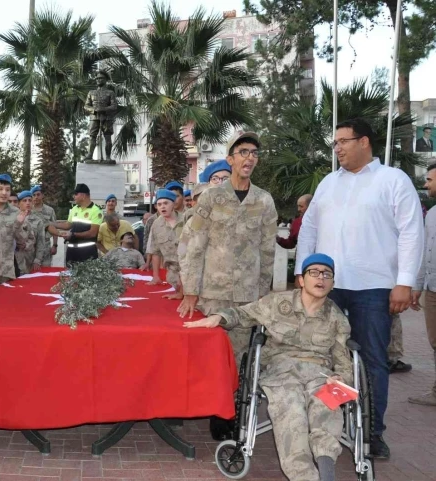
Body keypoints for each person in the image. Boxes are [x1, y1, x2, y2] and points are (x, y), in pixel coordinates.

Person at [295, 118, 424, 458]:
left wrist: (404, 282)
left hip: (374, 288)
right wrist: (301, 272)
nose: (336, 148)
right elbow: (308, 228)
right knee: (328, 358)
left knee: (370, 362)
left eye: (343, 141)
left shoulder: (393, 181)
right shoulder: (327, 183)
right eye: (334, 142)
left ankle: (370, 433)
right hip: (327, 289)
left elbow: (412, 232)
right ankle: (330, 427)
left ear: (364, 142)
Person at [184, 253, 352, 481]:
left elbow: (344, 362)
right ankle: (305, 477)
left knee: (327, 407)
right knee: (292, 413)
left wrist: (341, 379)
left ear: (332, 283)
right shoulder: (277, 303)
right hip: (281, 371)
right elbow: (243, 313)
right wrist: (219, 318)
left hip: (321, 373)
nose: (320, 278)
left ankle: (326, 470)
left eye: (327, 274)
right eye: (314, 272)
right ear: (302, 280)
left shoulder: (338, 319)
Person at [178, 131, 277, 440]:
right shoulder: (210, 198)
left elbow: (268, 249)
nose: (249, 157)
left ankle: (231, 412)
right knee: (213, 356)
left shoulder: (264, 201)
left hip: (247, 295)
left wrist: (263, 293)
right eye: (243, 151)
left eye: (254, 153)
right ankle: (211, 409)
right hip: (213, 294)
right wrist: (191, 290)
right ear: (231, 159)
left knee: (241, 356)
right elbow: (194, 244)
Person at [409, 162, 436, 406]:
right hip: (432, 288)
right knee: (434, 341)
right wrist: (417, 286)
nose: (426, 184)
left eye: (429, 179)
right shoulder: (432, 214)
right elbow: (424, 252)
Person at [0, 174, 30, 289]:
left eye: (7, 190)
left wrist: (18, 224)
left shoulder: (16, 213)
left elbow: (22, 242)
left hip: (7, 272)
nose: (4, 193)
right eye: (0, 189)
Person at [47, 183, 103, 264]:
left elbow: (93, 233)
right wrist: (52, 223)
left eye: (76, 194)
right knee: (69, 275)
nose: (74, 196)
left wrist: (73, 235)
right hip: (71, 251)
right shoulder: (74, 209)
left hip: (87, 252)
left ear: (83, 195)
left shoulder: (96, 210)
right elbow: (68, 225)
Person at [146, 189, 185, 298]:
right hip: (173, 273)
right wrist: (156, 276)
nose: (162, 207)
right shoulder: (156, 225)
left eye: (166, 203)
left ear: (173, 204)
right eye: (159, 204)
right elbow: (155, 251)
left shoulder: (186, 219)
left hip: (190, 271)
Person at [84, 71, 118, 163]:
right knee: (92, 136)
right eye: (97, 78)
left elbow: (114, 106)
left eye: (101, 78)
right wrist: (94, 110)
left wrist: (103, 109)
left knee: (107, 137)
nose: (98, 80)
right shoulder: (91, 92)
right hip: (94, 118)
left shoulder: (110, 93)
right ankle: (90, 155)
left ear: (105, 80)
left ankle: (108, 157)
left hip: (106, 118)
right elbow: (86, 106)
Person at [14, 190, 46, 275]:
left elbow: (41, 242)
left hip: (29, 259)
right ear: (19, 203)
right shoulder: (13, 218)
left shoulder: (38, 220)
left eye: (30, 200)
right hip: (14, 258)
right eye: (24, 201)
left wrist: (37, 260)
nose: (28, 203)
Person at [30, 185, 58, 266]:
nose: (36, 197)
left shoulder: (49, 210)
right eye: (33, 195)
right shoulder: (29, 210)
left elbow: (54, 228)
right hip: (32, 246)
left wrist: (55, 245)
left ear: (42, 195)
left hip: (45, 246)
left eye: (38, 194)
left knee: (46, 270)